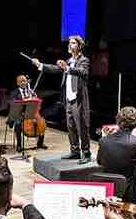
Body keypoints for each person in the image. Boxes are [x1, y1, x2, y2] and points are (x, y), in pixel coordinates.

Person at [31, 35, 91, 163]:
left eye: (73, 43)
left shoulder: (84, 60)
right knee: (70, 126)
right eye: (69, 43)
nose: (70, 45)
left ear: (79, 46)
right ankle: (75, 151)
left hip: (78, 99)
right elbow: (55, 69)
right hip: (68, 99)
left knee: (82, 127)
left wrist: (67, 68)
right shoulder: (68, 60)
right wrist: (40, 65)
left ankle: (86, 153)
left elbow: (82, 72)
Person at [97, 106, 136, 205]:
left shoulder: (103, 140)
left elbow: (99, 161)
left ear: (118, 122)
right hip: (130, 193)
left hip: (109, 189)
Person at [8, 75, 46, 151]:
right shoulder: (14, 93)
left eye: (24, 81)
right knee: (18, 123)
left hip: (32, 113)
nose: (23, 83)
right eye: (21, 81)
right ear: (17, 83)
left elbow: (37, 103)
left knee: (42, 122)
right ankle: (19, 145)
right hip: (20, 114)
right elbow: (12, 104)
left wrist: (34, 97)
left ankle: (40, 143)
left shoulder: (31, 91)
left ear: (27, 82)